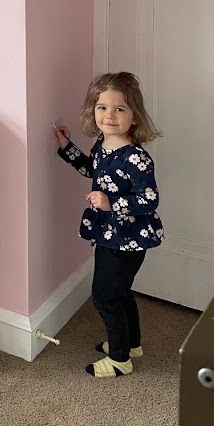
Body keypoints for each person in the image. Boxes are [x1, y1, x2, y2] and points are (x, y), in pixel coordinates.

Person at [53, 72, 163, 378]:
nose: (109, 116)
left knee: (105, 296)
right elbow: (91, 168)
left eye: (119, 109)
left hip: (126, 240)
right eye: (102, 108)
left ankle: (119, 359)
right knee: (121, 291)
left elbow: (150, 200)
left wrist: (112, 203)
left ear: (135, 117)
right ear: (93, 111)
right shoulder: (104, 144)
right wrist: (66, 146)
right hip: (109, 234)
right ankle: (132, 344)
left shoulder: (136, 158)